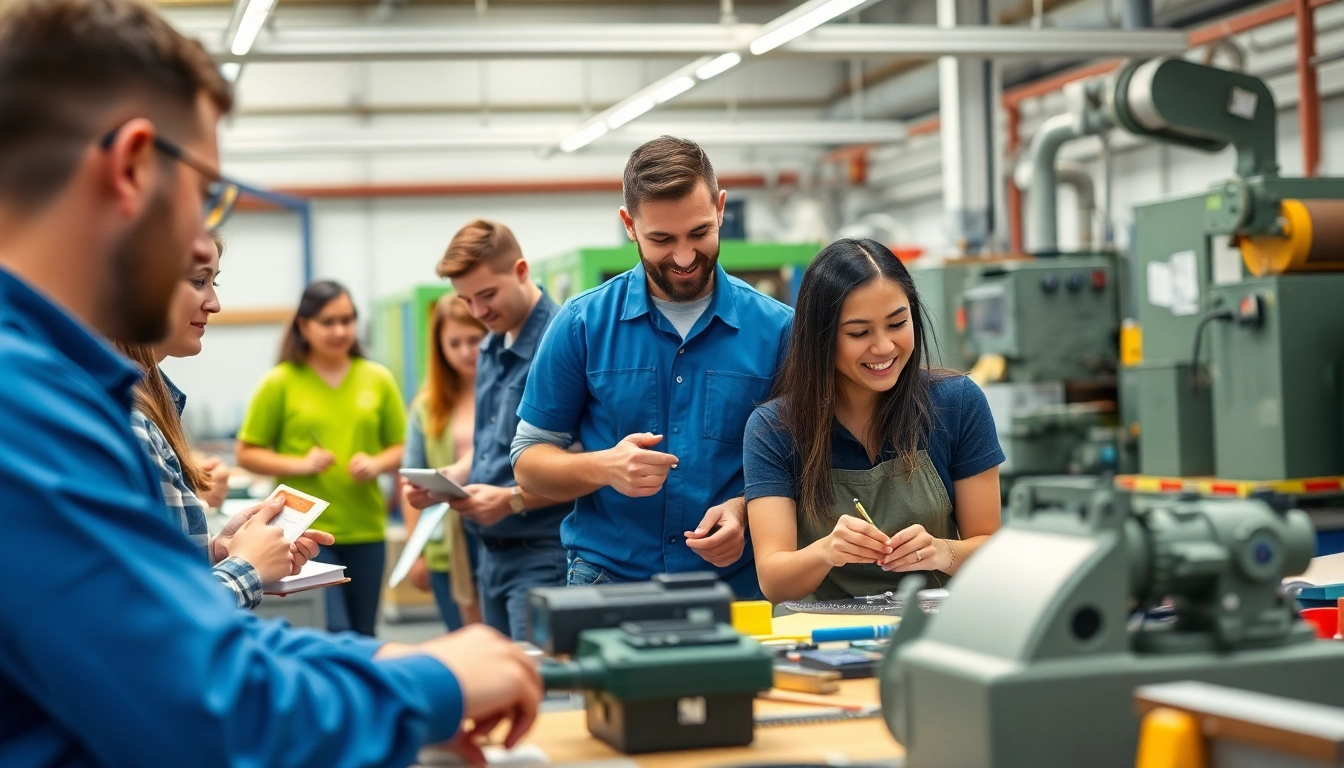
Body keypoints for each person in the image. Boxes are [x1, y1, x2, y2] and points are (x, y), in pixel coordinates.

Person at [0, 1, 538, 765]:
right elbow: (203, 712)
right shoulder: (25, 408)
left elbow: (181, 642)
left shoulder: (54, 385)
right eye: (205, 197)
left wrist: (375, 667)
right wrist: (431, 686)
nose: (200, 238)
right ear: (130, 169)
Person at [511, 136, 793, 598]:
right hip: (608, 579)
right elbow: (528, 461)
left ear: (720, 209)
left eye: (699, 233)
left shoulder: (778, 330)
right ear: (629, 224)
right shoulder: (582, 325)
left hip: (736, 586)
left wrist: (743, 510)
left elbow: (804, 463)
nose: (684, 257)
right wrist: (605, 467)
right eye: (661, 239)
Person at [743, 238, 1005, 603]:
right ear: (821, 338)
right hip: (823, 640)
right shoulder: (773, 429)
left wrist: (943, 551)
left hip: (930, 634)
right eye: (859, 333)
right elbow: (774, 580)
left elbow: (993, 550)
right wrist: (826, 552)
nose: (883, 347)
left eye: (897, 323)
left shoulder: (958, 403)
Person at [119, 230, 335, 608]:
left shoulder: (150, 407)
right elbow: (162, 616)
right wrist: (247, 567)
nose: (215, 303)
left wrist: (219, 549)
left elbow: (158, 566)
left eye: (213, 283)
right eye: (199, 281)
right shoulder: (129, 425)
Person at [236, 280, 406, 637]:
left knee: (363, 635)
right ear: (304, 326)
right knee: (329, 629)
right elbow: (247, 453)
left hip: (365, 530)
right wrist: (299, 464)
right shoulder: (279, 382)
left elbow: (401, 446)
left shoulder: (378, 379)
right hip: (301, 534)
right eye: (328, 321)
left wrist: (376, 464)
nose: (340, 330)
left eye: (347, 320)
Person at [429, 219, 571, 640]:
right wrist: (453, 477)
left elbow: (587, 465)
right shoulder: (491, 345)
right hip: (488, 557)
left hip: (543, 555)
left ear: (522, 271)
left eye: (487, 295)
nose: (478, 312)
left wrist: (512, 500)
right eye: (466, 300)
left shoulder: (561, 342)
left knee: (539, 692)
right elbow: (492, 444)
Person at [400, 293, 487, 630]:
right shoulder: (427, 406)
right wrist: (415, 551)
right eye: (454, 343)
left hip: (504, 532)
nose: (466, 351)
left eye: (474, 340)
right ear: (440, 348)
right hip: (448, 546)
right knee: (465, 644)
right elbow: (412, 479)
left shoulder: (513, 392)